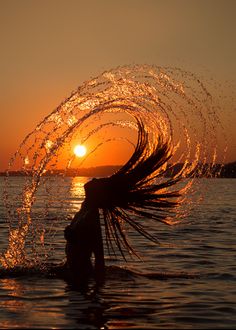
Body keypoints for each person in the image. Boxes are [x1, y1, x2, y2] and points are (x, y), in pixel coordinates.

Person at [63, 119, 181, 285]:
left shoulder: (92, 219)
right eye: (100, 179)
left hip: (80, 285)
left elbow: (99, 259)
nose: (96, 179)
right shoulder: (84, 210)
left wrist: (97, 294)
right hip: (74, 284)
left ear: (99, 194)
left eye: (100, 181)